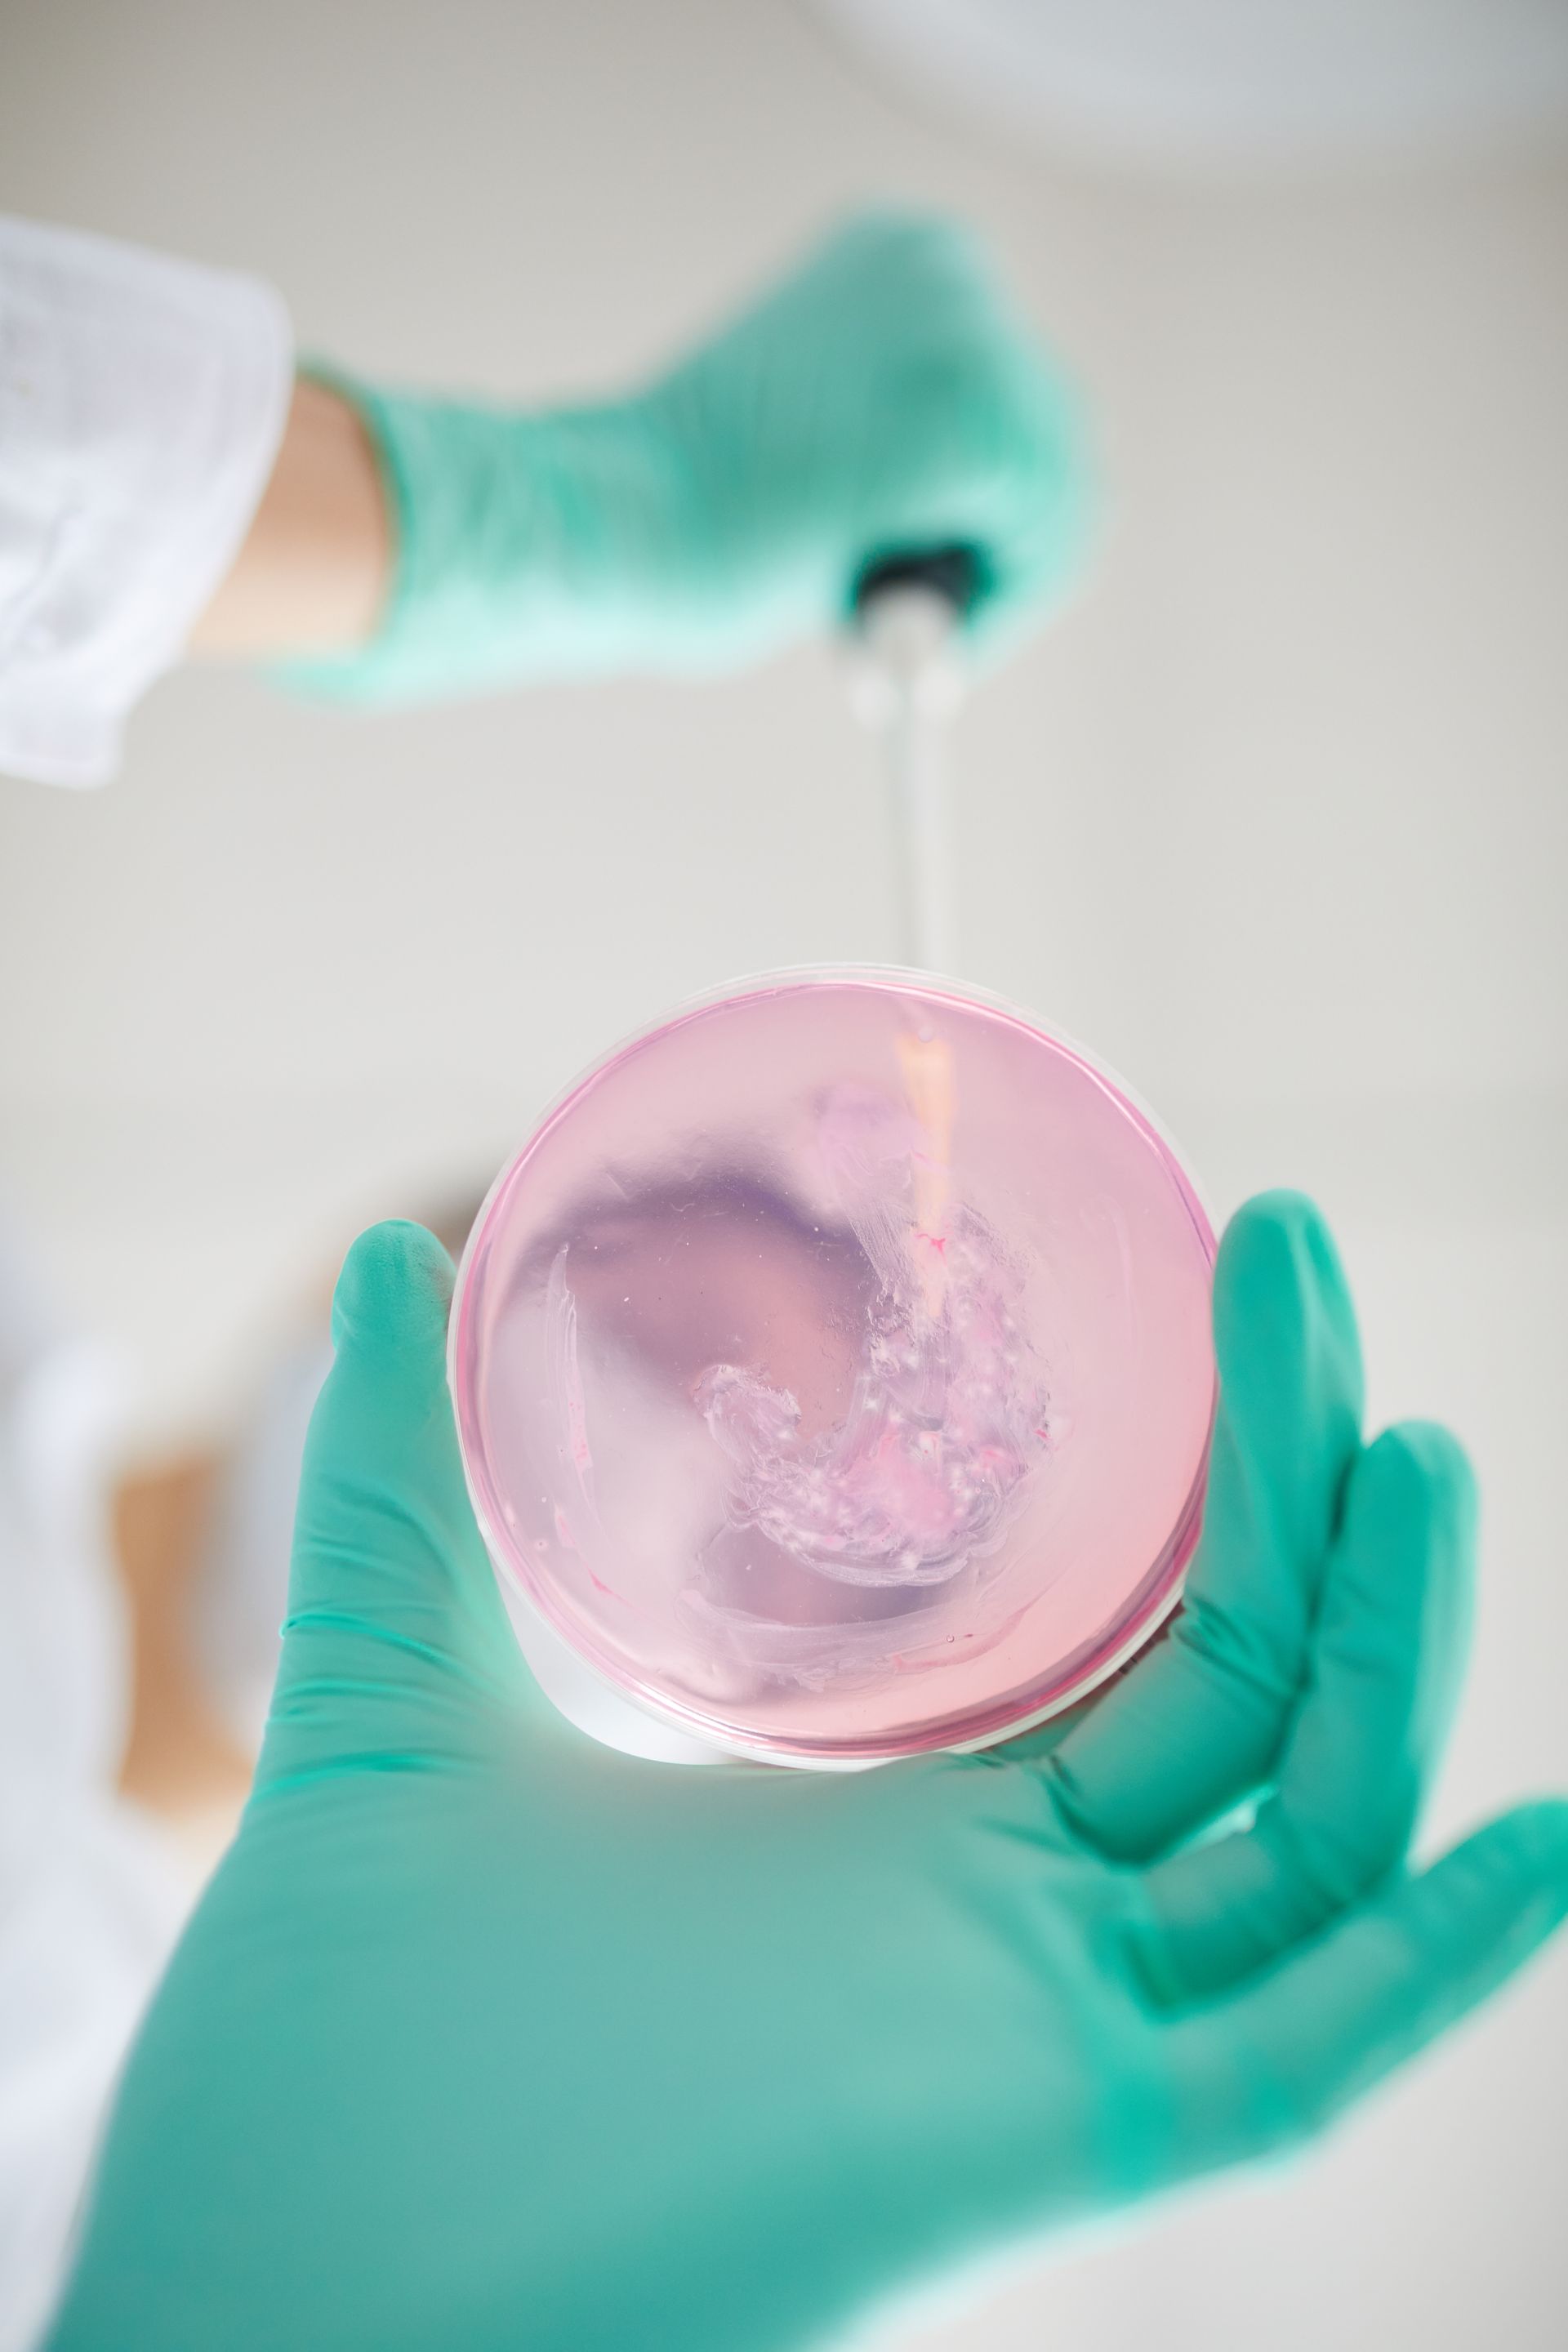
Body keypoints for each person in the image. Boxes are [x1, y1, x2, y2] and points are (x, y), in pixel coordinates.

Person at [2, 210, 1564, 2352]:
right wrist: (513, 516)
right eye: (644, 1353)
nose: (656, 1484)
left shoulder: (134, 2175)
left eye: (804, 1559)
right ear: (439, 1262)